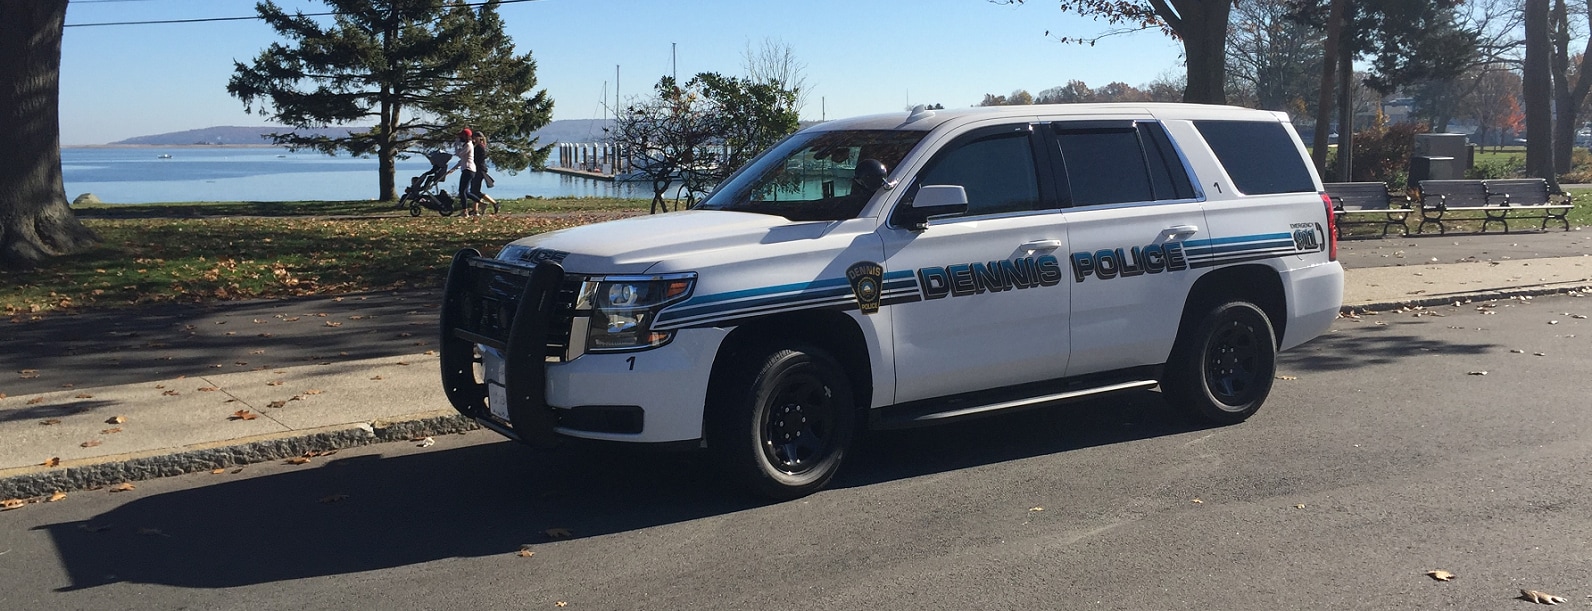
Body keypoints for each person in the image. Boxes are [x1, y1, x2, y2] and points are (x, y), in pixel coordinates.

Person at [444, 128, 481, 216]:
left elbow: (459, 154)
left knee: (462, 191)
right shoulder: (466, 145)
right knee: (465, 192)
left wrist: (456, 144)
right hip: (467, 169)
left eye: (461, 136)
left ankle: (465, 212)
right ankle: (480, 203)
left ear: (466, 136)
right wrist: (453, 169)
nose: (460, 137)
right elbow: (462, 160)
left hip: (468, 169)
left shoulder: (468, 145)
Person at [470, 132, 500, 215]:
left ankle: (494, 203)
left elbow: (475, 159)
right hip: (478, 169)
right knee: (475, 190)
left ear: (479, 138)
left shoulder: (479, 147)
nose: (473, 139)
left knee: (475, 191)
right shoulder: (480, 146)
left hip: (479, 170)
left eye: (475, 137)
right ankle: (474, 210)